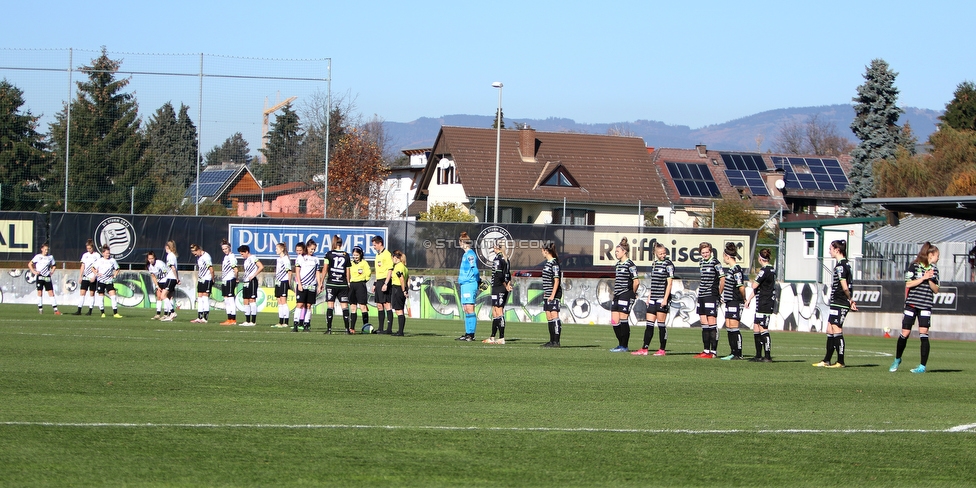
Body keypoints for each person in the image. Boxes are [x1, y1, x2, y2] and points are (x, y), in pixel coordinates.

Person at [890, 242, 940, 374]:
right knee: (905, 333)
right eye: (937, 255)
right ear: (930, 255)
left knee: (924, 334)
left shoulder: (934, 270)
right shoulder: (914, 266)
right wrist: (923, 277)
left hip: (925, 305)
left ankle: (922, 366)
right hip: (911, 304)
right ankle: (897, 359)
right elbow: (908, 283)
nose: (938, 258)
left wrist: (929, 279)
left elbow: (936, 290)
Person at [813, 240, 856, 368]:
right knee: (829, 329)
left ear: (837, 250)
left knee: (837, 329)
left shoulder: (841, 266)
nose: (829, 251)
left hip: (840, 302)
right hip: (836, 302)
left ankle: (841, 361)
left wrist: (850, 299)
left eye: (830, 249)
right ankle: (826, 360)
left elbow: (844, 286)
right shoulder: (843, 264)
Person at [636, 242, 673, 356]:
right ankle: (644, 348)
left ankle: (662, 349)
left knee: (661, 324)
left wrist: (665, 299)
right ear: (656, 254)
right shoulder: (654, 264)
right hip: (653, 297)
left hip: (662, 297)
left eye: (664, 253)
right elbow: (654, 282)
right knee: (649, 324)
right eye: (661, 253)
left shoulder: (668, 264)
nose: (663, 255)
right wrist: (649, 296)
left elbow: (670, 283)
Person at [745, 248, 776, 362]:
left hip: (765, 302)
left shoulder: (765, 270)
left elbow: (754, 286)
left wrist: (754, 280)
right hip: (761, 301)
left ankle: (767, 356)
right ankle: (758, 355)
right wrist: (749, 300)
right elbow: (758, 288)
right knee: (756, 327)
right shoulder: (771, 269)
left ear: (760, 258)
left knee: (763, 328)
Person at [694, 242, 724, 358]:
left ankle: (714, 352)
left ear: (711, 251)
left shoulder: (716, 263)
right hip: (701, 295)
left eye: (707, 252)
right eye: (703, 253)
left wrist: (718, 293)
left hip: (711, 295)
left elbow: (722, 279)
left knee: (712, 323)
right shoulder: (701, 262)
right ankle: (706, 350)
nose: (705, 254)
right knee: (703, 323)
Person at [609, 238, 638, 352]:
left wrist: (632, 293)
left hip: (626, 294)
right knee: (614, 320)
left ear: (624, 251)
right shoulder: (618, 264)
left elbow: (636, 282)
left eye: (617, 251)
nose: (616, 253)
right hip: (617, 294)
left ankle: (624, 346)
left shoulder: (630, 265)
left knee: (623, 319)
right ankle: (620, 344)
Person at [719, 243, 746, 360]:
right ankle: (732, 352)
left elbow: (741, 287)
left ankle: (738, 353)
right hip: (729, 301)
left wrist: (743, 298)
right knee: (729, 326)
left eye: (723, 256)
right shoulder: (730, 270)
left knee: (735, 327)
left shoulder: (737, 270)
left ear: (727, 256)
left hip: (736, 301)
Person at [483, 241, 513, 344]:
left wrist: (506, 286)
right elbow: (508, 275)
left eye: (494, 247)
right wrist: (508, 285)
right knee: (495, 312)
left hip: (499, 287)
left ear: (498, 248)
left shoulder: (498, 259)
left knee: (499, 312)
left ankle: (501, 338)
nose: (493, 248)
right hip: (499, 287)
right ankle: (492, 337)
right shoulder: (506, 259)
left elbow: (500, 276)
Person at [323, 235, 351, 334]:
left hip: (331, 283)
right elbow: (348, 271)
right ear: (341, 244)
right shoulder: (346, 255)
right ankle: (347, 329)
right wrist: (348, 282)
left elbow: (325, 269)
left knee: (330, 305)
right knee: (345, 307)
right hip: (342, 284)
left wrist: (321, 282)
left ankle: (329, 329)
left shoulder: (329, 254)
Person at [456, 231, 480, 341]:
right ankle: (467, 333)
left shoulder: (470, 254)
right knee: (466, 309)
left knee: (470, 308)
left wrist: (478, 280)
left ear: (462, 242)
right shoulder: (465, 254)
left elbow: (474, 269)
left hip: (470, 283)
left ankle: (471, 334)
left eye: (460, 241)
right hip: (464, 284)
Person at [541, 242, 563, 347]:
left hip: (554, 294)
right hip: (548, 293)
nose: (542, 252)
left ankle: (556, 341)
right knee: (549, 317)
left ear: (546, 251)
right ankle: (551, 341)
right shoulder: (547, 263)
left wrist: (552, 295)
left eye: (542, 250)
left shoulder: (554, 263)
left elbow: (557, 280)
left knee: (554, 316)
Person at [293, 241, 319, 332]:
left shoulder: (316, 259)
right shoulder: (301, 258)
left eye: (314, 249)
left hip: (311, 285)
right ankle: (296, 324)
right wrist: (299, 284)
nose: (312, 250)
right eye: (311, 248)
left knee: (308, 305)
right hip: (303, 285)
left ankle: (306, 324)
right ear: (307, 247)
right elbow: (297, 271)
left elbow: (317, 272)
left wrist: (319, 284)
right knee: (299, 304)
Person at [29, 243, 60, 315]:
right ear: (42, 249)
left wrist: (52, 271)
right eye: (45, 249)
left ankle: (56, 310)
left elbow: (54, 265)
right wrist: (33, 271)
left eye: (47, 250)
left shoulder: (50, 257)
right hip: (40, 276)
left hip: (47, 277)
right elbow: (30, 264)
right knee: (39, 292)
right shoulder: (38, 257)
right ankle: (40, 309)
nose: (46, 251)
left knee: (51, 292)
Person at [372, 235, 394, 334]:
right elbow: (377, 271)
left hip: (385, 281)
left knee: (386, 304)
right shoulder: (377, 255)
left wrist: (386, 283)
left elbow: (390, 270)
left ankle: (389, 329)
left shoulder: (387, 254)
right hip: (379, 281)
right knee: (379, 305)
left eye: (375, 244)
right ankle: (380, 328)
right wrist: (375, 283)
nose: (374, 247)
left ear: (380, 243)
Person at [238, 244, 264, 326]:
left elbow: (261, 266)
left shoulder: (253, 258)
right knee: (245, 300)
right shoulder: (246, 260)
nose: (242, 256)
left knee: (252, 300)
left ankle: (253, 321)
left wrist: (253, 275)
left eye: (242, 254)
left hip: (252, 281)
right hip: (246, 282)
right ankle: (247, 320)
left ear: (246, 252)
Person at [347, 246, 371, 333]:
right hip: (352, 285)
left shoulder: (364, 263)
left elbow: (368, 273)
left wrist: (364, 280)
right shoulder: (350, 263)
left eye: (357, 255)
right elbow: (348, 273)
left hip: (360, 285)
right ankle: (352, 328)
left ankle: (366, 327)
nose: (355, 257)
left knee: (363, 306)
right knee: (353, 307)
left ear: (360, 254)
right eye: (354, 255)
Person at [93, 245, 122, 318]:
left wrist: (114, 275)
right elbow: (93, 268)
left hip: (109, 281)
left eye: (109, 253)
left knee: (113, 296)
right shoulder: (99, 261)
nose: (108, 255)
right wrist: (96, 274)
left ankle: (115, 313)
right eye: (106, 253)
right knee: (101, 297)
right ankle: (102, 312)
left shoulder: (112, 260)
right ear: (103, 253)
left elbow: (117, 269)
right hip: (101, 281)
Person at [73, 239, 99, 315]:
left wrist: (94, 276)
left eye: (90, 248)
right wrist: (80, 276)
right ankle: (79, 310)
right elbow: (83, 266)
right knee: (82, 293)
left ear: (92, 247)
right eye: (87, 248)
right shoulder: (85, 255)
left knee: (92, 294)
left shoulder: (97, 255)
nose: (88, 250)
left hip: (92, 277)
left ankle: (90, 311)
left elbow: (97, 267)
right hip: (85, 277)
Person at [189, 243, 214, 323]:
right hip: (201, 279)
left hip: (207, 279)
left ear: (199, 250)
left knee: (205, 298)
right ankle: (199, 317)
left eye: (195, 252)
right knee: (199, 298)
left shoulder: (206, 257)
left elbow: (211, 269)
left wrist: (212, 279)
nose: (194, 255)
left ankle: (205, 318)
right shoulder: (199, 257)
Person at [218, 239, 239, 326]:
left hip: (230, 279)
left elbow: (236, 269)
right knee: (226, 299)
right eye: (223, 249)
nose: (225, 250)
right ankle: (229, 318)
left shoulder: (232, 257)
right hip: (225, 280)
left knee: (230, 299)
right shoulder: (226, 257)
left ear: (229, 248)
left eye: (226, 248)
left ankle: (233, 319)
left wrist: (236, 278)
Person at [159, 240, 180, 322]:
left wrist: (176, 278)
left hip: (171, 278)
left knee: (163, 296)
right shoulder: (173, 255)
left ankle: (172, 312)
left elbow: (173, 268)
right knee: (169, 297)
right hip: (172, 278)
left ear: (167, 247)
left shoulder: (170, 256)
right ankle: (170, 315)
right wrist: (177, 278)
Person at [273, 242, 293, 327]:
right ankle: (280, 321)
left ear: (282, 249)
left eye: (277, 248)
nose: (276, 250)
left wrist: (288, 283)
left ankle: (286, 322)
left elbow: (289, 272)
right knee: (279, 301)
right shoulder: (278, 259)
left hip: (284, 281)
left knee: (284, 301)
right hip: (278, 281)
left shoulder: (285, 259)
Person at [390, 250, 409, 336]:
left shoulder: (398, 267)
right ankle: (400, 331)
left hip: (398, 288)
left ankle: (400, 331)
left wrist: (403, 290)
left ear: (395, 258)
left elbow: (401, 279)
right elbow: (408, 279)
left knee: (399, 310)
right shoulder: (404, 267)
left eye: (392, 258)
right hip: (401, 289)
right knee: (400, 309)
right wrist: (406, 290)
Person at [147, 251, 169, 320]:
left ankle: (166, 314)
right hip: (159, 282)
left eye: (152, 258)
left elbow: (166, 271)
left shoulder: (159, 263)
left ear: (154, 258)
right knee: (159, 297)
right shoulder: (150, 266)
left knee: (164, 297)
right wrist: (157, 286)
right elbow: (153, 276)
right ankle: (158, 314)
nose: (151, 260)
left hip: (165, 280)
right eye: (149, 259)